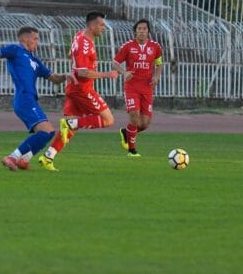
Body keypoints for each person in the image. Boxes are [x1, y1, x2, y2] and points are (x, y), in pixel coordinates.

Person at [0, 26, 74, 171]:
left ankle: (24, 159)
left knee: (49, 132)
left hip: (30, 99)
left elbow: (54, 78)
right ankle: (13, 157)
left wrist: (65, 75)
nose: (37, 42)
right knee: (45, 131)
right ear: (25, 39)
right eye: (35, 38)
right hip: (24, 98)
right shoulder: (15, 49)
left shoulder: (34, 60)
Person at [38, 11, 124, 171]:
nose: (104, 28)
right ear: (92, 26)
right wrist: (107, 74)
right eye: (101, 25)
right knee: (108, 120)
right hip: (82, 89)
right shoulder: (84, 44)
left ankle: (48, 156)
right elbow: (82, 73)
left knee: (71, 129)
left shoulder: (79, 35)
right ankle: (69, 123)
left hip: (74, 87)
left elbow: (71, 54)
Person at [113, 19, 164, 157]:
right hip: (132, 87)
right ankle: (132, 150)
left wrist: (156, 77)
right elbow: (115, 63)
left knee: (144, 124)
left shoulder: (155, 47)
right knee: (134, 115)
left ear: (148, 31)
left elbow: (159, 64)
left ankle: (126, 132)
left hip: (147, 88)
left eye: (144, 29)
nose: (142, 31)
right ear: (135, 31)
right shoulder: (128, 46)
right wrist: (124, 72)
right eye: (139, 29)